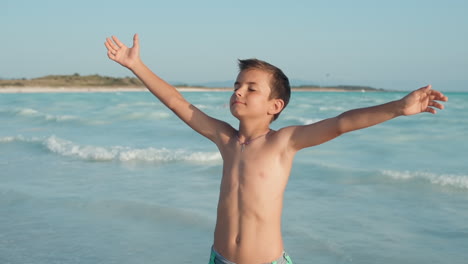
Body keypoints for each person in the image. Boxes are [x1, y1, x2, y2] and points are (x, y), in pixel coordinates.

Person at [104, 34, 448, 264]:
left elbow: (343, 122)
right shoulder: (225, 139)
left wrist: (398, 108)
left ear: (275, 105)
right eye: (238, 85)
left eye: (251, 88)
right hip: (218, 258)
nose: (239, 91)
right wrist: (136, 66)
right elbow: (177, 102)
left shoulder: (284, 143)